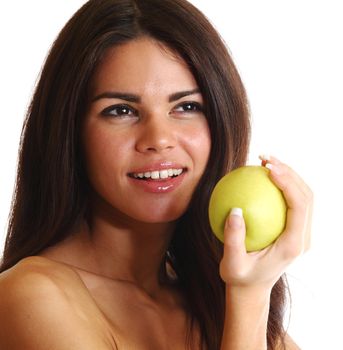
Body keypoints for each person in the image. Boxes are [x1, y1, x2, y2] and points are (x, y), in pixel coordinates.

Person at [0, 0, 312, 349]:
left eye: (187, 107)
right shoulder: (32, 297)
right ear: (70, 131)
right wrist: (250, 296)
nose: (159, 140)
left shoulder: (212, 302)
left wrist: (250, 293)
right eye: (120, 110)